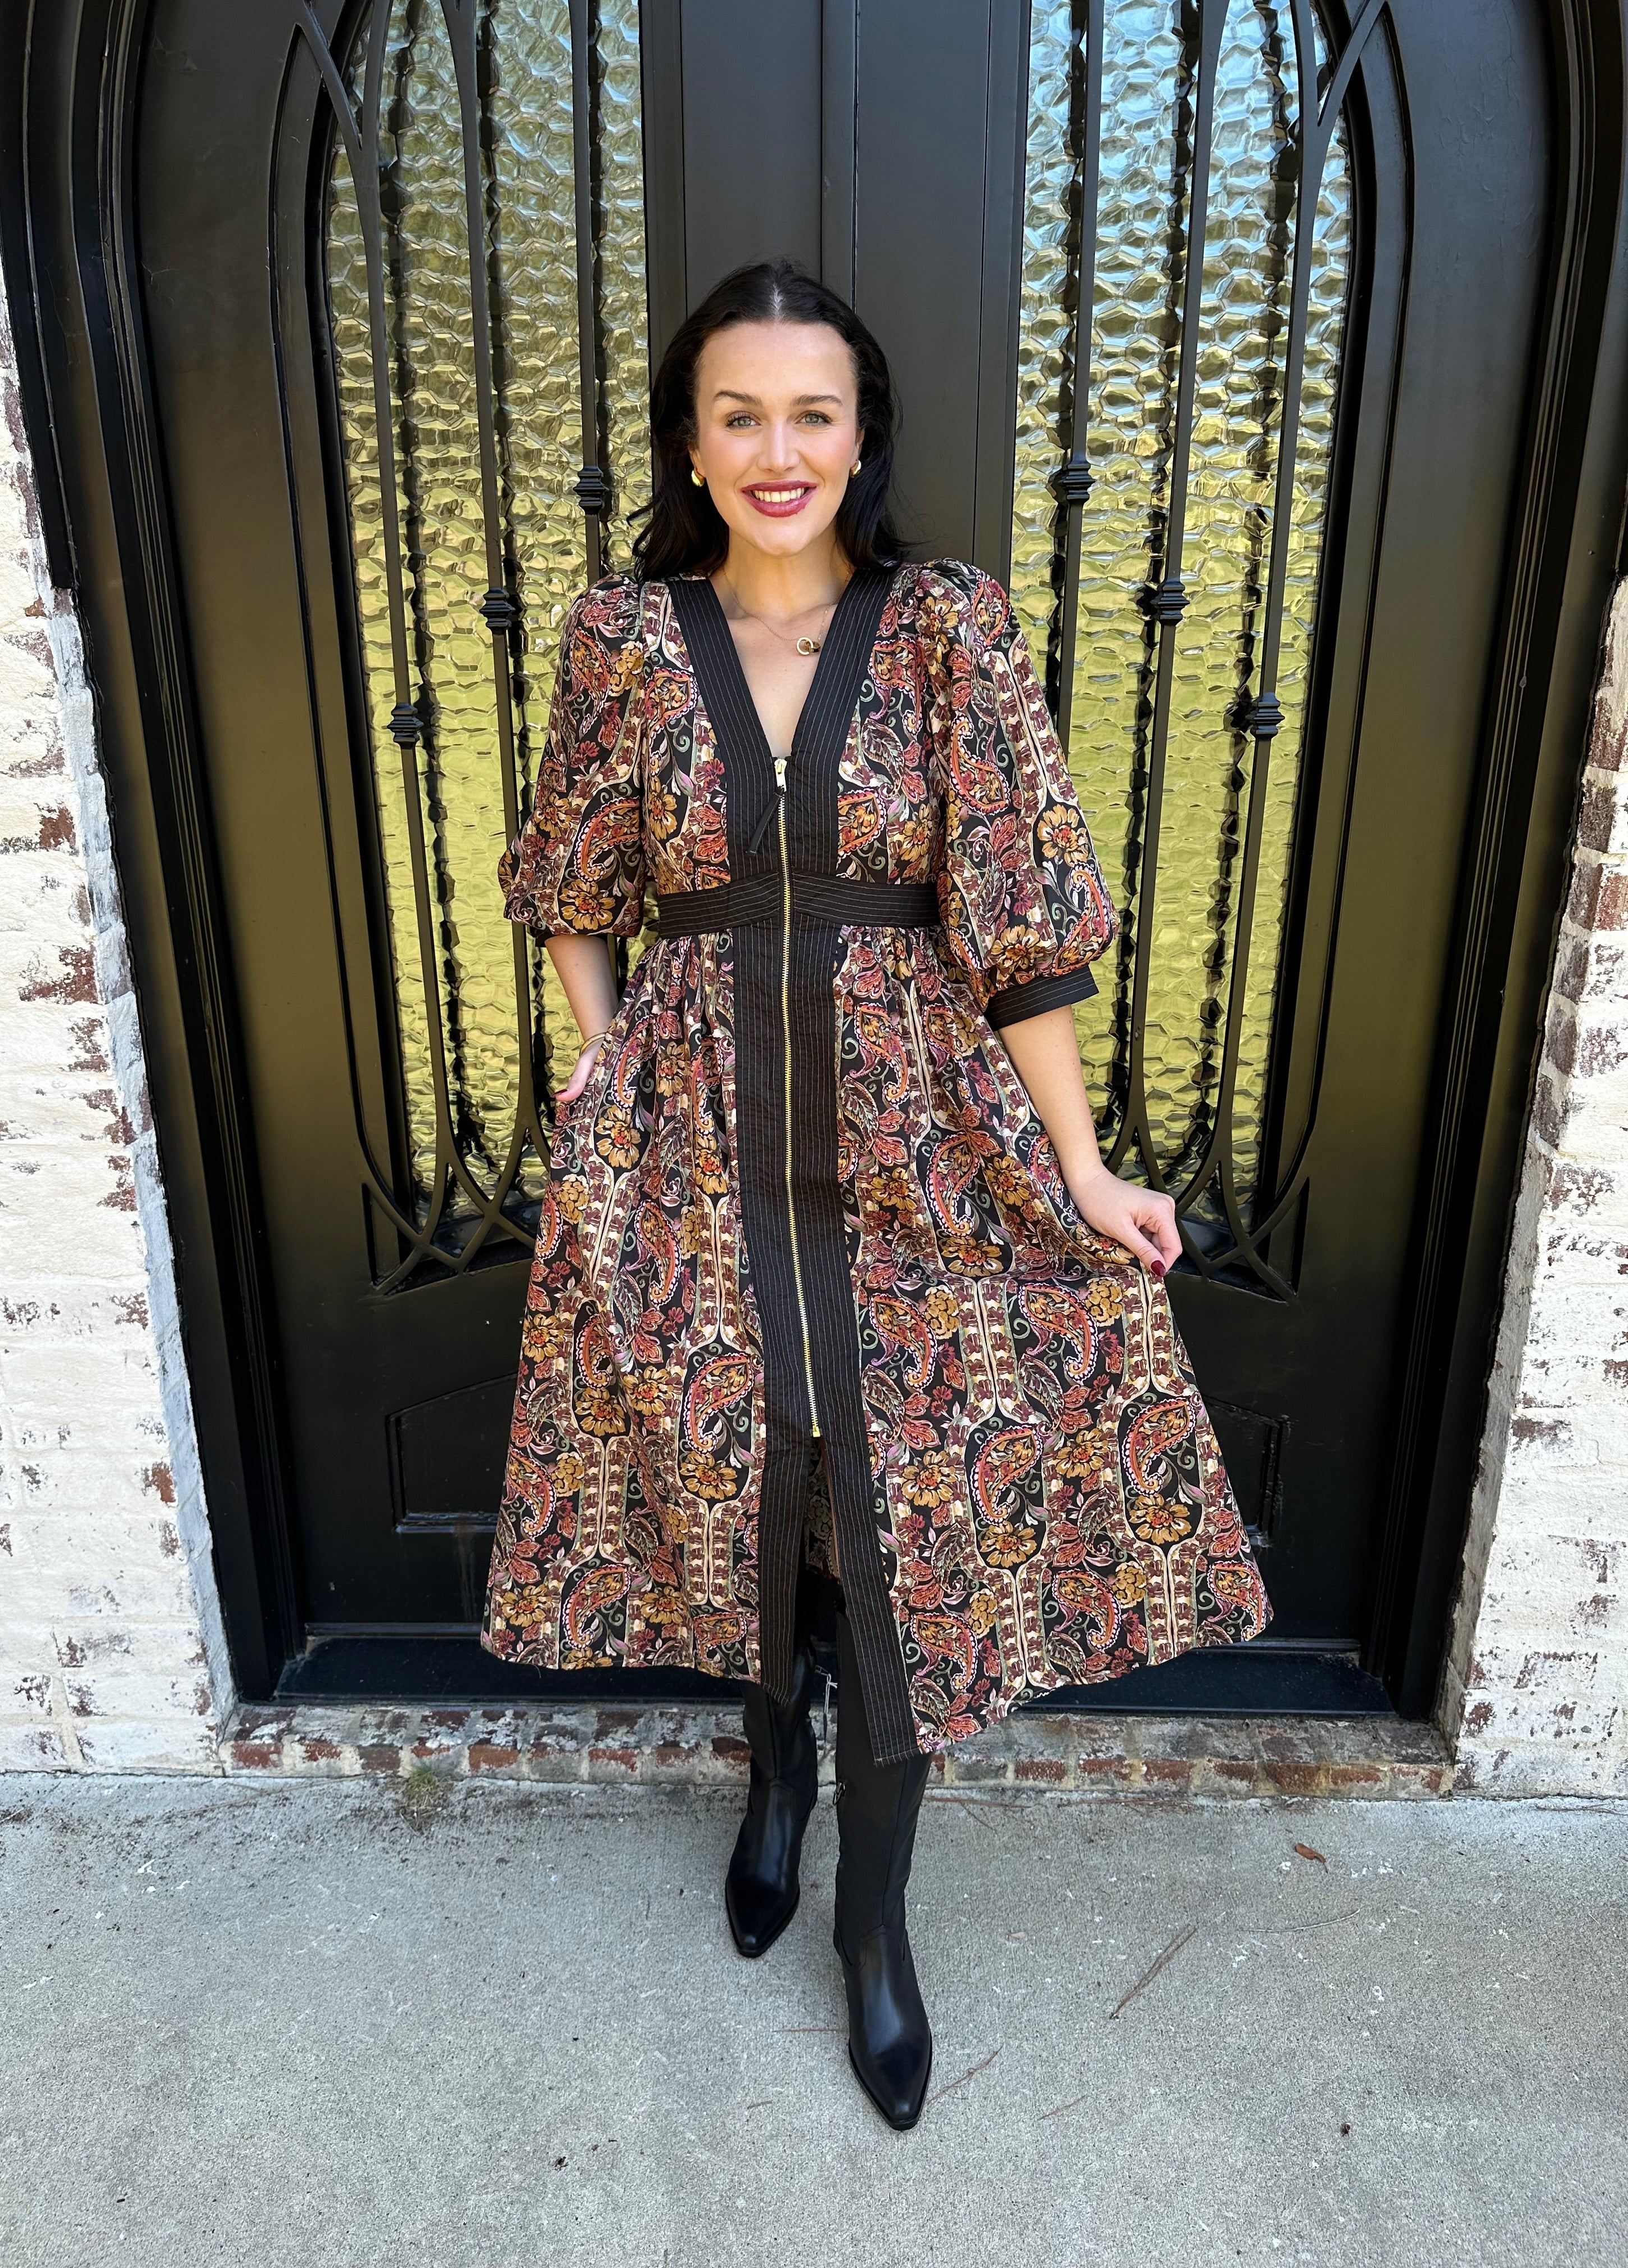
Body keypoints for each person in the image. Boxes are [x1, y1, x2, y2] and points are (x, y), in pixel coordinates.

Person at [483, 259, 1273, 2130]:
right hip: (694, 1149)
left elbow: (1022, 928)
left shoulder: (947, 627)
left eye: (813, 414)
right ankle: (773, 1784)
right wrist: (602, 1050)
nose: (780, 450)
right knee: (741, 1486)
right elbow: (569, 882)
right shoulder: (622, 639)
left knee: (908, 1523)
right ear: (693, 441)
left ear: (862, 435)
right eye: (741, 414)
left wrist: (1082, 1168)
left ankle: (875, 1923)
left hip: (920, 1140)